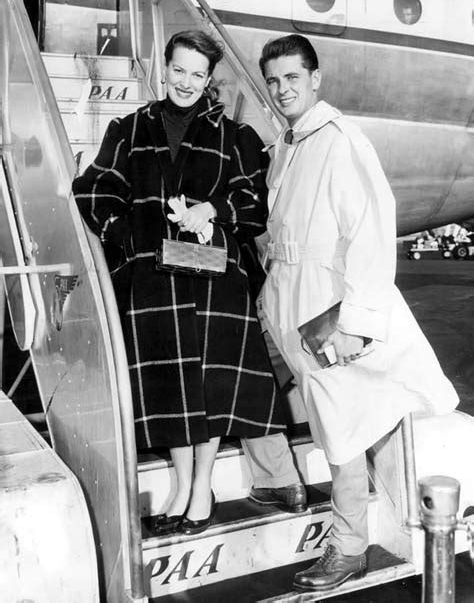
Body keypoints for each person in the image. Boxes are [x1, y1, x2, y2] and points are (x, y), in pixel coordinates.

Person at [73, 29, 306, 537]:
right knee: (168, 390)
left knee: (205, 390)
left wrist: (212, 210)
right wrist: (127, 234)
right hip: (153, 282)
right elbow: (93, 191)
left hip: (213, 282)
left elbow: (254, 205)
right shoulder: (129, 129)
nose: (186, 81)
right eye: (178, 70)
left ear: (208, 79)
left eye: (197, 74)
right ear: (165, 68)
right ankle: (182, 486)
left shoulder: (234, 137)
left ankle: (201, 490)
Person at [258, 34, 459, 591]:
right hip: (293, 300)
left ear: (315, 79)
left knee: (341, 429)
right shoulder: (289, 143)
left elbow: (371, 229)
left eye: (291, 78)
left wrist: (356, 323)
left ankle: (347, 548)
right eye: (273, 81)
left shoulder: (340, 139)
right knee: (330, 423)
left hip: (330, 306)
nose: (280, 90)